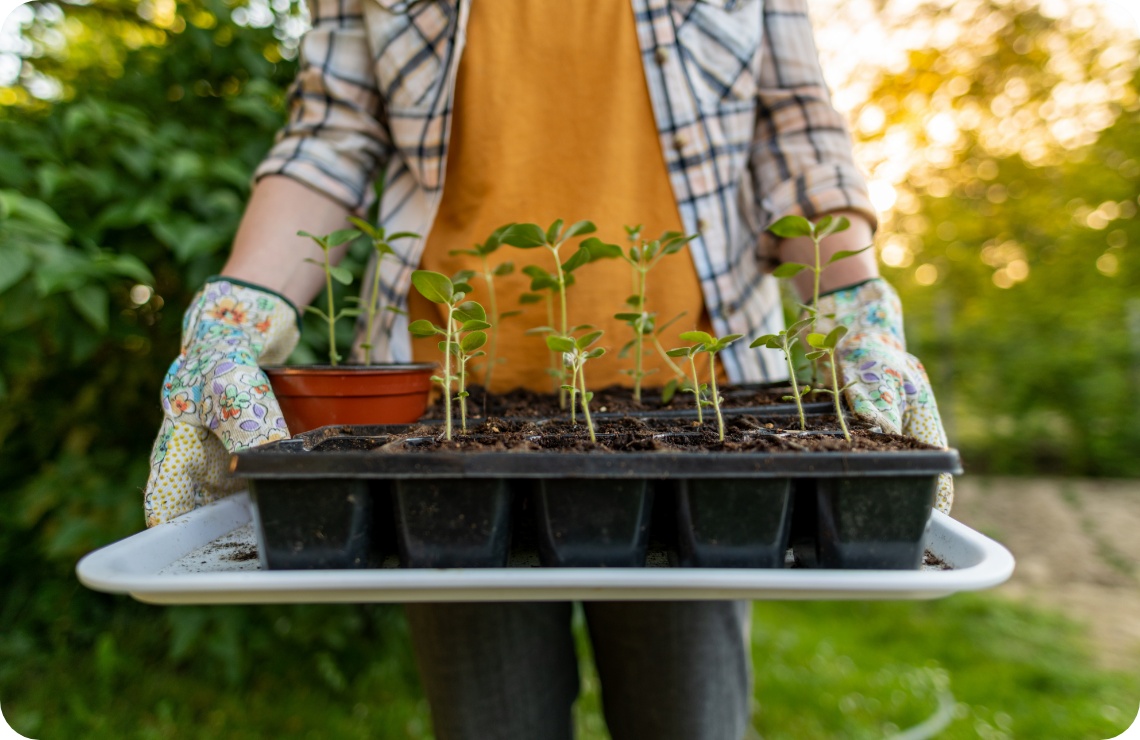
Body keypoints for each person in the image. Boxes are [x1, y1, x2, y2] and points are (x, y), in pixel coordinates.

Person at [143, 0, 953, 737]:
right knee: (490, 720)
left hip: (701, 418)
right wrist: (234, 321)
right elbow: (332, 133)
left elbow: (799, 137)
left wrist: (858, 315)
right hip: (442, 425)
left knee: (691, 719)